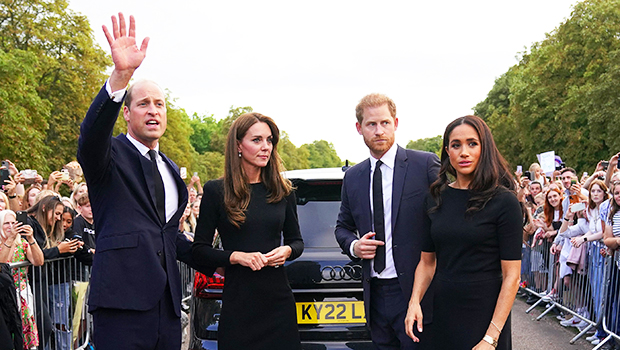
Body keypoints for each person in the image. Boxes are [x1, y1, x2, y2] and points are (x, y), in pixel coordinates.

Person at [76, 13, 197, 350]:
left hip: (169, 307)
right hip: (122, 306)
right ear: (126, 113)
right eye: (143, 104)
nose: (153, 110)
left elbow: (170, 238)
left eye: (159, 104)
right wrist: (120, 77)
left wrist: (231, 258)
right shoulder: (108, 155)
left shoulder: (171, 170)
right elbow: (91, 136)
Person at [404, 115, 522, 350]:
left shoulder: (504, 201)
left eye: (472, 143)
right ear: (448, 151)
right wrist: (414, 302)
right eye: (456, 145)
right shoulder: (435, 198)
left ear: (484, 148)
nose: (464, 152)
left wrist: (491, 338)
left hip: (486, 314)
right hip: (442, 311)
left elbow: (512, 276)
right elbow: (427, 263)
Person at [335, 93, 440, 349]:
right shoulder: (353, 177)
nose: (379, 130)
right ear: (359, 128)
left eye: (384, 123)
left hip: (417, 291)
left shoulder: (424, 164)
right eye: (371, 124)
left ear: (395, 122)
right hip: (375, 294)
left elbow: (449, 217)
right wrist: (354, 246)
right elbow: (342, 227)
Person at [192, 112, 304, 350]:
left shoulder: (284, 191)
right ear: (238, 146)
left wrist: (286, 250)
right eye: (257, 140)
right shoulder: (216, 191)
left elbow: (297, 242)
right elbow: (199, 251)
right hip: (239, 305)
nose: (266, 147)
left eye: (269, 140)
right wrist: (236, 256)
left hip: (278, 304)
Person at [0, 209, 44, 349]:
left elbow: (38, 261)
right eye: (6, 223)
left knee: (26, 328)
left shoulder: (22, 243)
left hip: (23, 293)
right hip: (4, 295)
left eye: (14, 222)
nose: (11, 226)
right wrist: (10, 239)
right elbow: (1, 265)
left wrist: (31, 238)